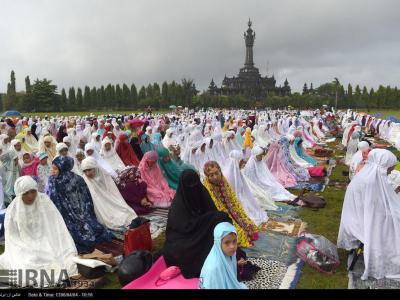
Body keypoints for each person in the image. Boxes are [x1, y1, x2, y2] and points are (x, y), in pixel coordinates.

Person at [0, 176, 78, 287]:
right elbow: (12, 236)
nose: (31, 196)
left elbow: (56, 226)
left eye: (33, 191)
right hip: (23, 244)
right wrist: (25, 247)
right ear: (19, 193)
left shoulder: (44, 201)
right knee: (26, 263)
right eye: (26, 193)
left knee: (61, 258)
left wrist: (48, 242)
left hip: (47, 239)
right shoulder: (13, 209)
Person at [338, 149, 400, 280]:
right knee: (396, 221)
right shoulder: (371, 183)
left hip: (357, 218)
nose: (390, 170)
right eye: (390, 168)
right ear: (382, 166)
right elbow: (376, 212)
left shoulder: (365, 177)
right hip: (362, 223)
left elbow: (375, 206)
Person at [163, 169, 232, 278]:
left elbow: (212, 214)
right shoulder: (178, 204)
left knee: (221, 218)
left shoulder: (202, 192)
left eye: (195, 183)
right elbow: (181, 229)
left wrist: (208, 221)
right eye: (189, 185)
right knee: (179, 252)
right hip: (184, 238)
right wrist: (206, 221)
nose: (193, 187)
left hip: (201, 232)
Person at [47, 156, 113, 253]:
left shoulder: (77, 179)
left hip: (80, 213)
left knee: (88, 229)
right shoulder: (53, 181)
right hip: (64, 214)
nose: (52, 171)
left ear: (63, 168)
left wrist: (80, 212)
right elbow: (51, 201)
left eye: (55, 168)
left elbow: (86, 199)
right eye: (52, 168)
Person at [203, 161, 258, 248]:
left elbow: (232, 198)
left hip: (230, 208)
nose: (215, 177)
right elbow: (216, 208)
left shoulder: (223, 181)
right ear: (207, 177)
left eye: (217, 173)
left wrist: (236, 212)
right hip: (218, 216)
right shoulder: (206, 187)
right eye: (211, 175)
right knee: (237, 233)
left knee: (247, 224)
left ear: (220, 171)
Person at [81, 157, 137, 232]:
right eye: (85, 171)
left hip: (112, 201)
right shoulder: (84, 180)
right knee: (109, 219)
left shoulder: (104, 175)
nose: (87, 173)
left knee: (125, 213)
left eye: (89, 170)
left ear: (95, 168)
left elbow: (113, 193)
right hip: (100, 205)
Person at [223, 150, 269, 225]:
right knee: (250, 209)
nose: (243, 163)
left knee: (255, 203)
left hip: (240, 196)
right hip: (234, 200)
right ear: (236, 161)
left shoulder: (236, 171)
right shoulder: (229, 175)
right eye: (241, 161)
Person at [200, 222, 247, 289]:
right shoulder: (213, 269)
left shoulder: (228, 254)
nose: (232, 246)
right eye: (227, 242)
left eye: (234, 241)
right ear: (218, 243)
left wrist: (236, 264)